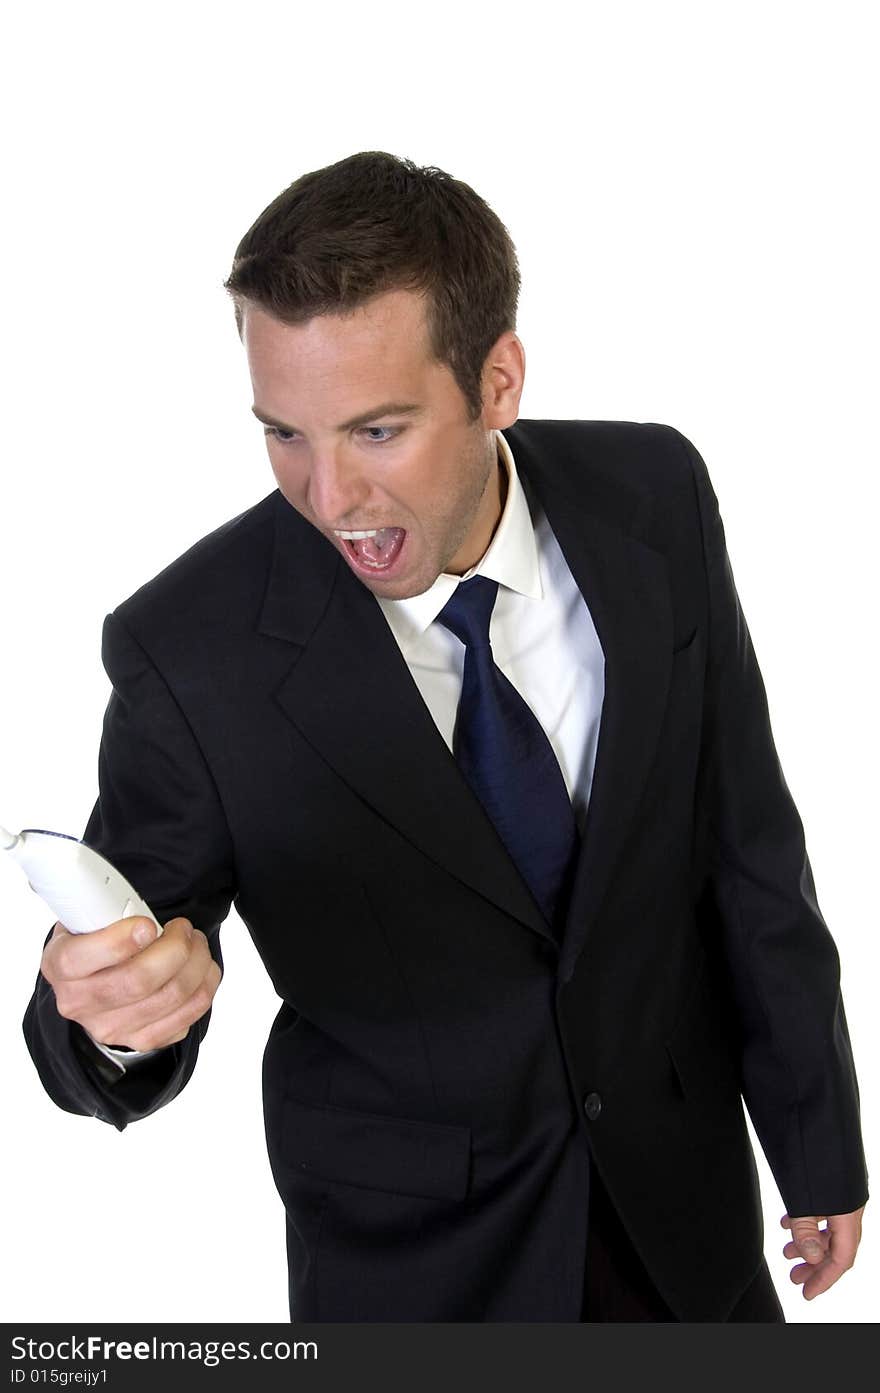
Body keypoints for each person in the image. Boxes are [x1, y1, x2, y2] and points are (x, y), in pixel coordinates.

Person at [22, 151, 868, 1323]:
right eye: (283, 434)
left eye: (376, 431)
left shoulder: (656, 496)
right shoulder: (190, 648)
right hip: (418, 1275)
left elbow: (746, 843)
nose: (326, 497)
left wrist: (816, 1138)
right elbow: (116, 968)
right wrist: (111, 1020)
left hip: (684, 1221)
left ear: (497, 379)